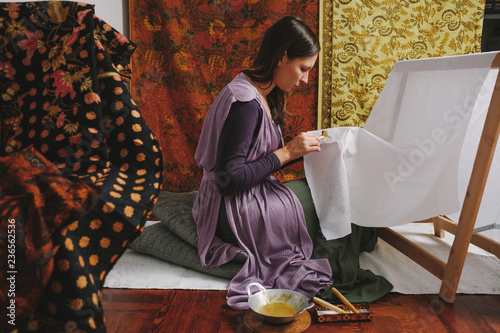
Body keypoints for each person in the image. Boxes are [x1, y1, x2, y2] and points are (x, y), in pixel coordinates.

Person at [192, 16, 334, 310]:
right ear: (282, 56)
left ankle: (348, 240)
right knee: (325, 202)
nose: (305, 79)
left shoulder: (261, 93)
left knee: (320, 194)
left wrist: (293, 152)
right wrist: (288, 152)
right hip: (227, 211)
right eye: (303, 68)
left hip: (244, 197)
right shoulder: (246, 103)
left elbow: (252, 162)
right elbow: (228, 181)